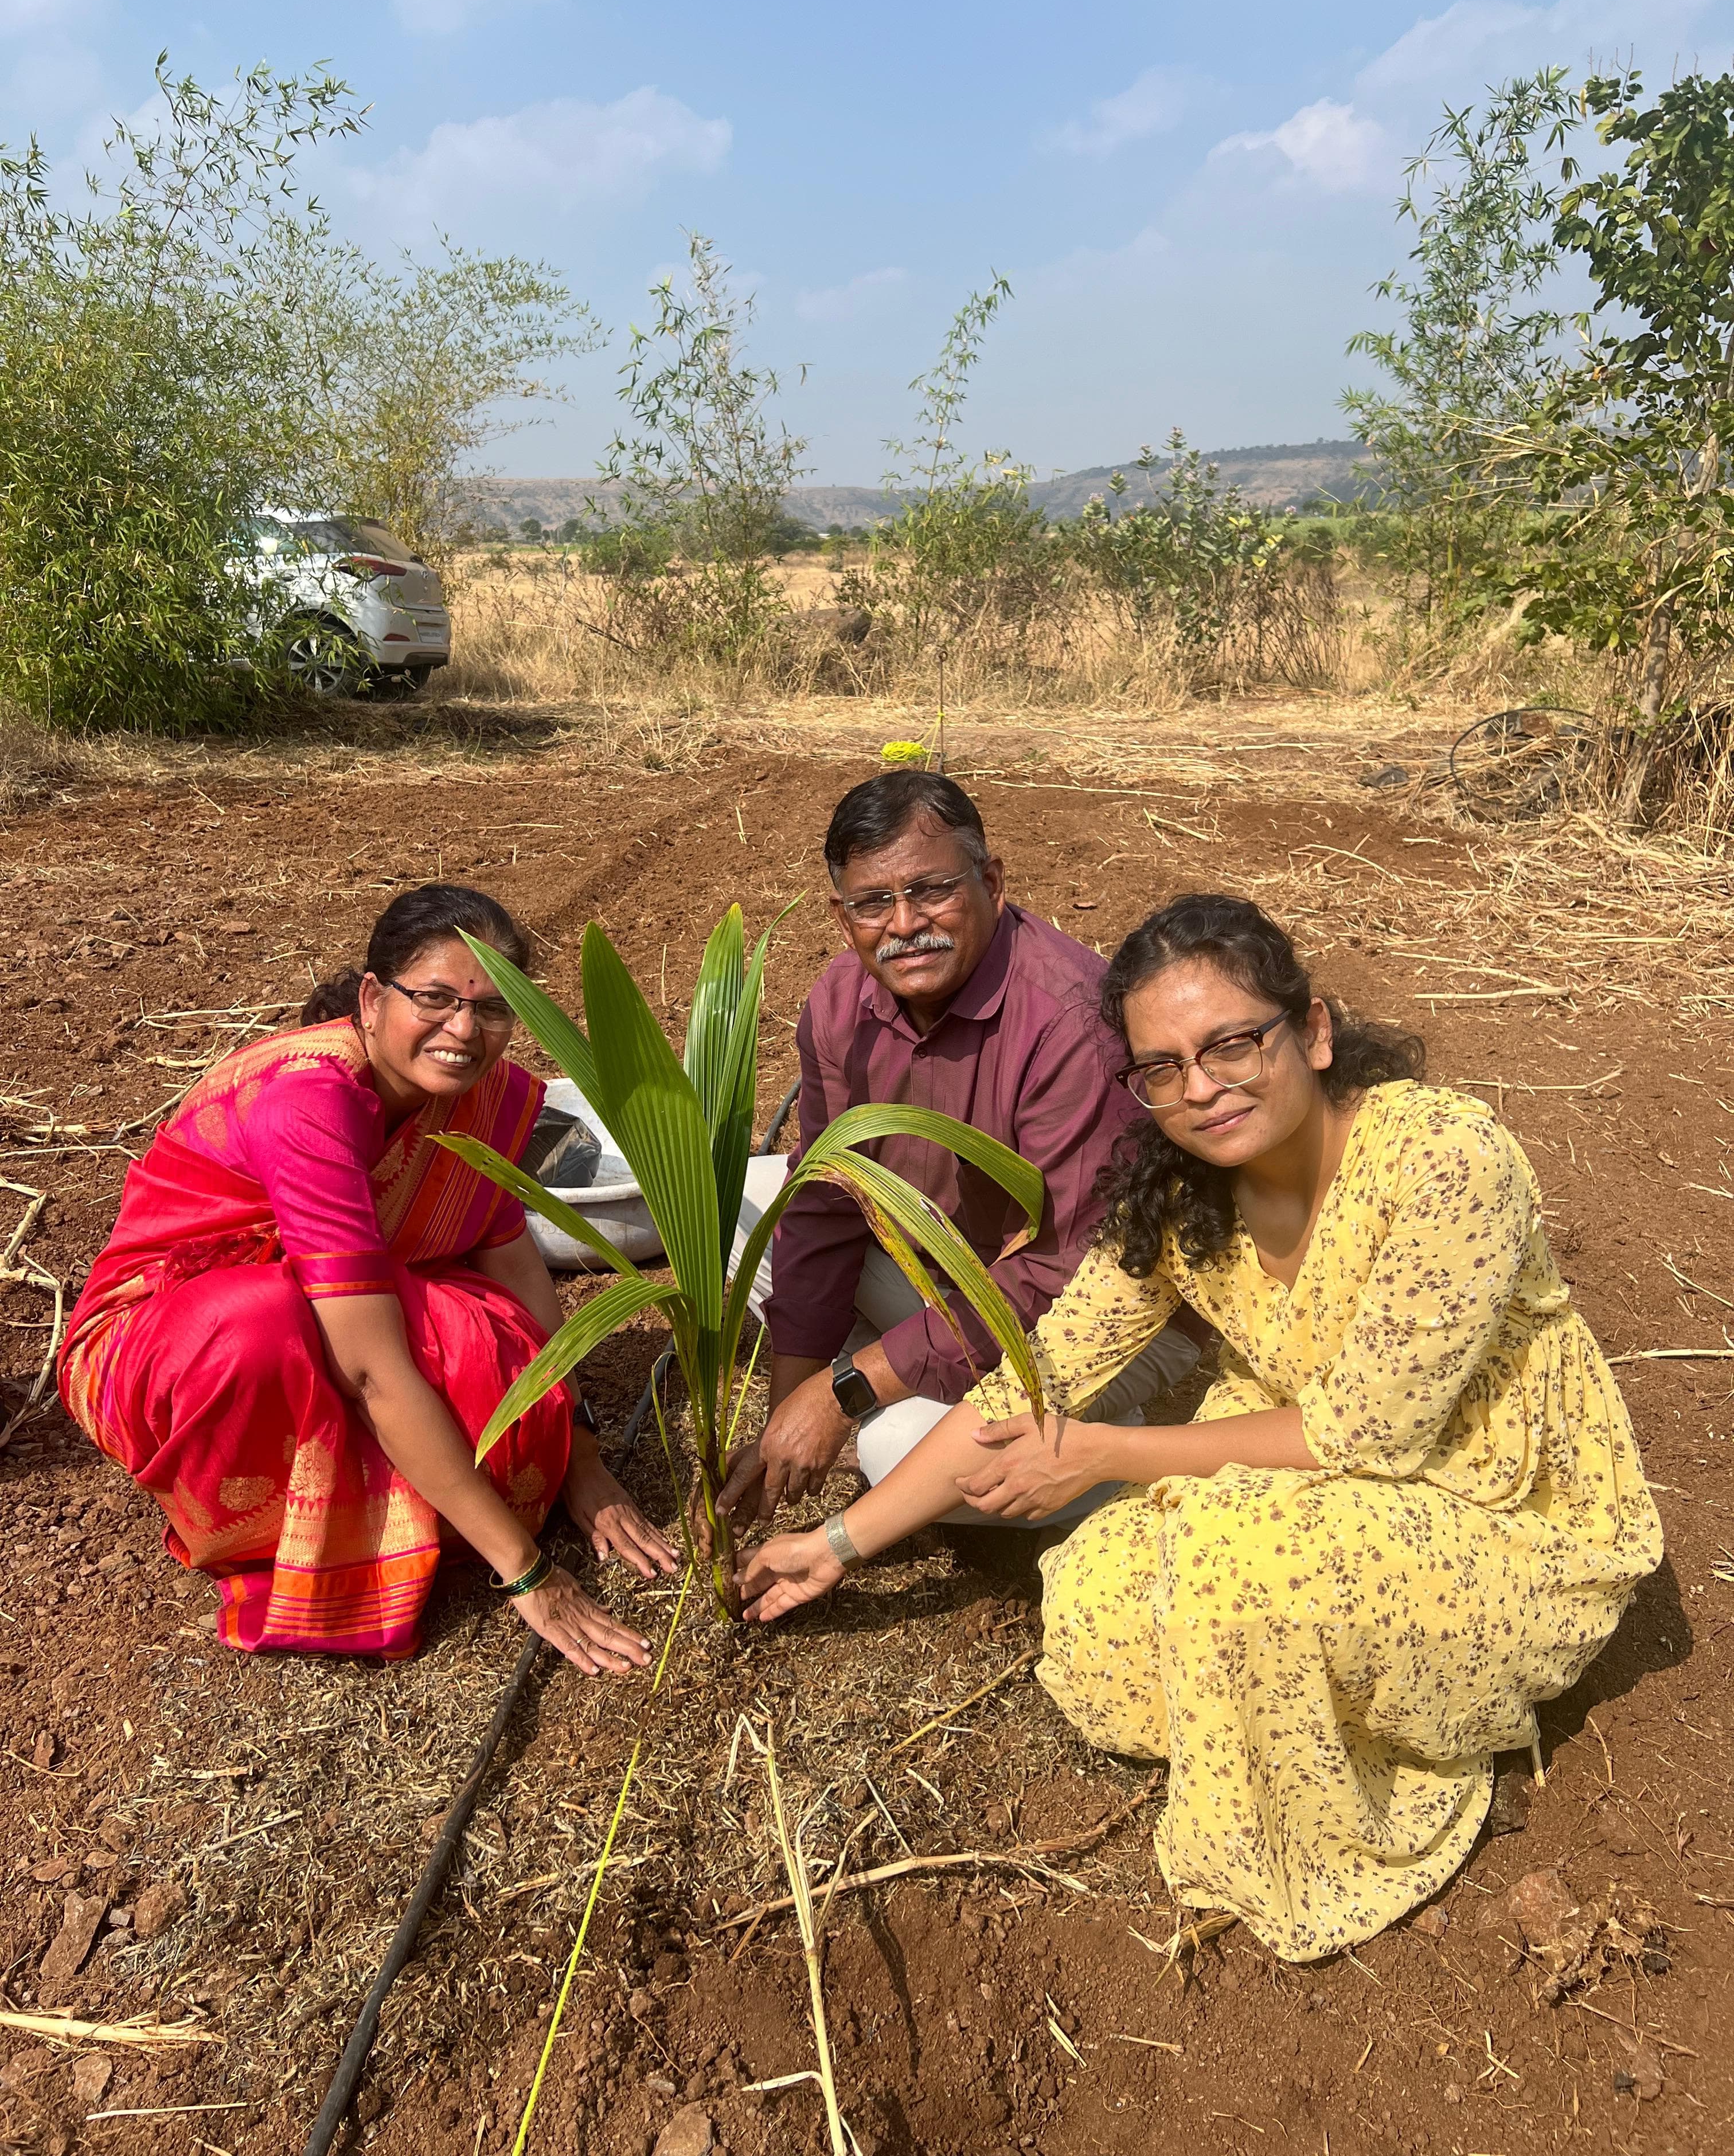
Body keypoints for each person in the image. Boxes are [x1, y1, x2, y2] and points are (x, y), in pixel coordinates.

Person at [740, 893, 1662, 1961]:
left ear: (1312, 1032)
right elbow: (1028, 1382)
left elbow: (1374, 1435)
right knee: (1091, 1615)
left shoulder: (1444, 1157)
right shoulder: (1180, 1195)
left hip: (1487, 1497)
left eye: (1232, 1043)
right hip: (1293, 1461)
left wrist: (1105, 1452)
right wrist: (835, 1545)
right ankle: (1325, 1692)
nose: (1202, 1088)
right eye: (1163, 1069)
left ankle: (1425, 1705)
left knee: (1229, 1571)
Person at [60, 885, 675, 1669]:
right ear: (375, 997)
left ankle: (396, 1482)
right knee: (262, 1326)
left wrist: (580, 1456)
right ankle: (274, 1522)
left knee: (497, 1361)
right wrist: (528, 1574)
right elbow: (369, 1367)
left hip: (343, 1310)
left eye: (492, 1010)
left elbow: (517, 1270)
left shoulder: (482, 1099)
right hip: (166, 1338)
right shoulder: (306, 1103)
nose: (464, 1031)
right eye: (437, 999)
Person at [719, 769, 1201, 1533]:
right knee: (742, 1205)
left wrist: (848, 1390)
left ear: (993, 882)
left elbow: (1065, 1272)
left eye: (932, 889)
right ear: (845, 921)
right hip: (950, 1273)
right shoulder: (841, 1003)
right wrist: (791, 1410)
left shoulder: (1072, 1021)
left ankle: (1107, 1451)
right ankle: (930, 1370)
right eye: (874, 903)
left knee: (898, 1453)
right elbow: (824, 1206)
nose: (907, 923)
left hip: (1098, 1312)